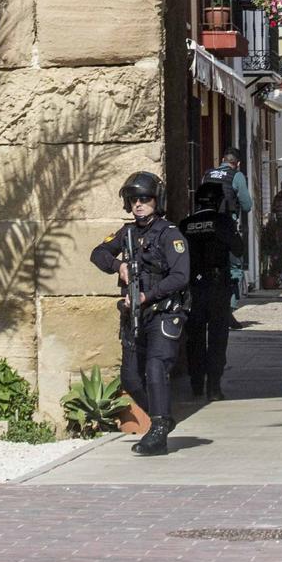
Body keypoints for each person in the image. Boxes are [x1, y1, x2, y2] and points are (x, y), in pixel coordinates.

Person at [90, 171, 191, 456]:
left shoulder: (170, 234)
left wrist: (149, 295)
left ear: (156, 200)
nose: (138, 204)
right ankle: (163, 417)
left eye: (144, 199)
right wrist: (116, 265)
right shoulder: (127, 233)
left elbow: (181, 275)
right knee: (131, 377)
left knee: (155, 367)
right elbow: (97, 253)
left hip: (162, 312)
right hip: (134, 314)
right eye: (133, 199)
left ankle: (158, 428)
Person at [177, 179, 245, 402]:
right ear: (218, 202)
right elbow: (238, 249)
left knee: (194, 337)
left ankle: (196, 384)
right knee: (217, 337)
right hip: (217, 286)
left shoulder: (185, 224)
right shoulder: (222, 222)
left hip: (192, 287)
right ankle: (214, 387)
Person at [205, 148, 255, 318]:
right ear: (237, 163)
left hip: (205, 229)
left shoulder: (208, 174)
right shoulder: (236, 176)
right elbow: (247, 205)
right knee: (234, 268)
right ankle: (229, 311)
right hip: (226, 229)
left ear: (222, 160)